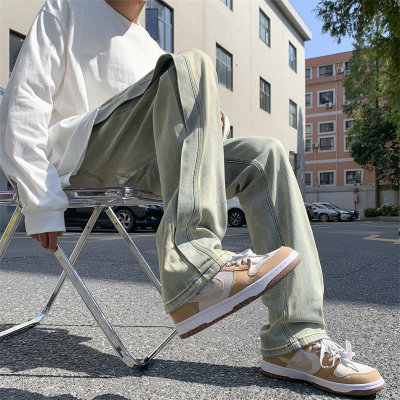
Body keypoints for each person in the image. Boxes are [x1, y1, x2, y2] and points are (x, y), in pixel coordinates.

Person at [0, 0, 384, 396]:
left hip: (147, 167)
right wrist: (41, 202)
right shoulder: (67, 8)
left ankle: (295, 339)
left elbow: (175, 125)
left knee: (266, 154)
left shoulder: (149, 46)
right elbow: (22, 106)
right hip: (81, 161)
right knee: (190, 63)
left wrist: (215, 119)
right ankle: (194, 264)